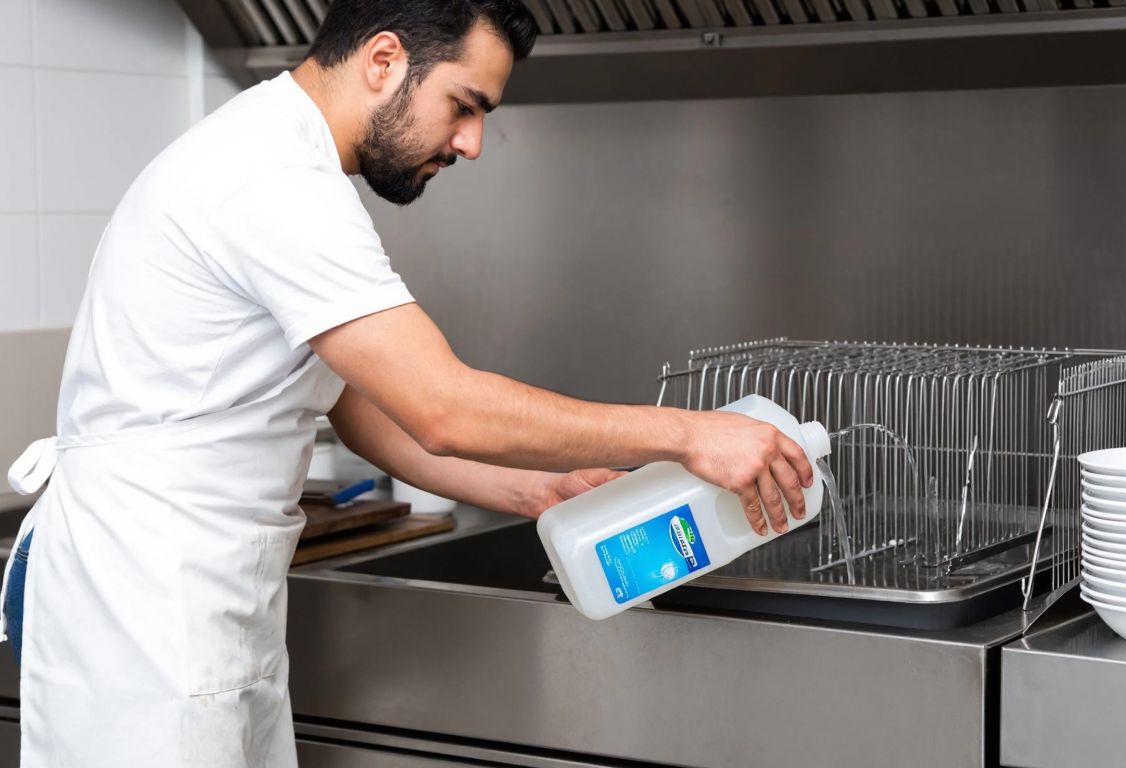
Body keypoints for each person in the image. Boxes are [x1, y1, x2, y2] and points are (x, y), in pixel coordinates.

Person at [0, 1, 814, 765]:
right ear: (385, 59)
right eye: (465, 105)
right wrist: (690, 433)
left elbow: (362, 409)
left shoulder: (284, 158)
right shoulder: (272, 180)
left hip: (183, 599)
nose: (471, 143)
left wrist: (531, 489)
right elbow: (442, 407)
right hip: (140, 608)